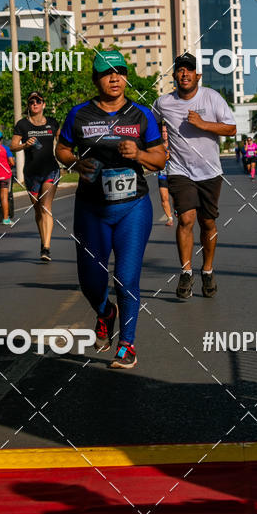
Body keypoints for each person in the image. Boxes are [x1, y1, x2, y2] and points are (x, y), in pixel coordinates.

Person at [56, 51, 166, 369]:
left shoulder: (141, 114)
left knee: (126, 277)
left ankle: (127, 345)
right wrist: (75, 162)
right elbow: (62, 148)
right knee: (91, 280)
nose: (115, 77)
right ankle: (105, 312)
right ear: (96, 79)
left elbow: (160, 158)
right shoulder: (79, 115)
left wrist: (140, 154)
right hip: (91, 208)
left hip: (133, 206)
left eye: (120, 71)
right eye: (107, 72)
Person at [154, 52, 237, 300]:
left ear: (197, 75)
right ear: (174, 76)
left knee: (208, 223)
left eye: (189, 70)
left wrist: (204, 124)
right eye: (180, 70)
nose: (184, 74)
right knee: (186, 219)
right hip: (180, 170)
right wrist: (157, 148)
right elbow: (150, 125)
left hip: (210, 172)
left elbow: (231, 128)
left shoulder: (212, 97)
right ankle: (186, 272)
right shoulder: (163, 103)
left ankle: (208, 270)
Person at [11, 91, 60, 261]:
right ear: (28, 105)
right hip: (31, 173)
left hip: (51, 170)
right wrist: (24, 144)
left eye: (38, 101)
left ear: (43, 104)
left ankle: (46, 248)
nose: (35, 104)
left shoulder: (53, 123)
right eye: (32, 101)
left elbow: (63, 143)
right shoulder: (22, 125)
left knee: (46, 207)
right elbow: (12, 146)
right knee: (38, 210)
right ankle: (43, 241)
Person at [157, 124, 173, 227]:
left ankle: (178, 212)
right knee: (164, 198)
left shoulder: (174, 144)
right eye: (163, 132)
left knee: (177, 198)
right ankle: (169, 218)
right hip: (162, 174)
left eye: (166, 132)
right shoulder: (158, 146)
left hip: (174, 174)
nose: (164, 134)